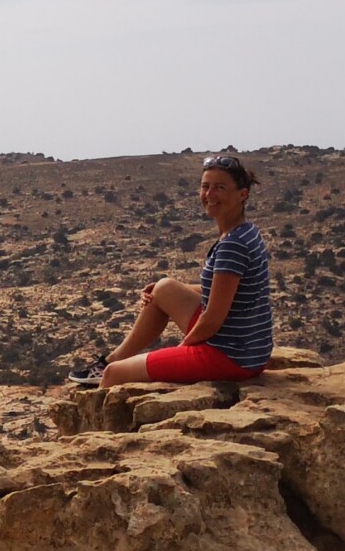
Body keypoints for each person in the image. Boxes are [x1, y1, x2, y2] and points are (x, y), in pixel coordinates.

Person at [82, 151, 273, 386]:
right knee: (163, 288)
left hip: (230, 356)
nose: (209, 195)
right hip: (250, 351)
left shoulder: (232, 245)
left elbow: (213, 318)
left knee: (115, 374)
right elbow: (229, 291)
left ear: (242, 194)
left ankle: (108, 374)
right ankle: (113, 358)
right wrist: (168, 290)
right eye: (205, 187)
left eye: (220, 188)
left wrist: (182, 350)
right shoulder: (245, 231)